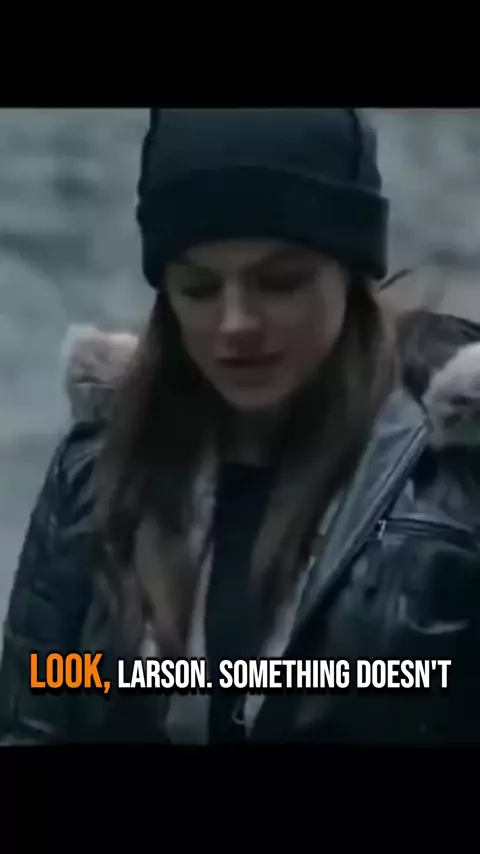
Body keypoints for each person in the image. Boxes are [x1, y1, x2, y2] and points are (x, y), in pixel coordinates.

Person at [1, 108, 479, 745]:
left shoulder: (453, 479)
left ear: (351, 273)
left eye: (280, 283)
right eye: (198, 288)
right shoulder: (96, 469)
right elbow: (36, 716)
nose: (236, 324)